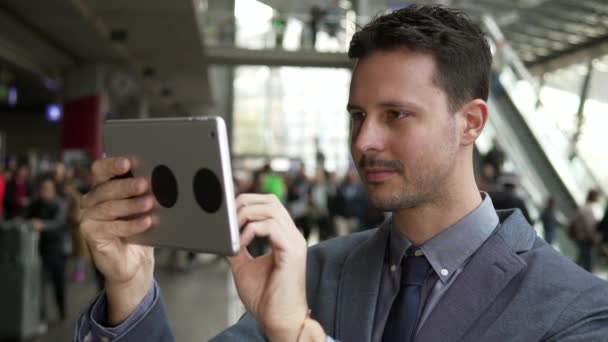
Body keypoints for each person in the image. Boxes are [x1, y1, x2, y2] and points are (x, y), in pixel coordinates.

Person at [75, 5, 608, 341]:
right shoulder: (315, 271)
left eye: (395, 115)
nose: (363, 141)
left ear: (470, 123)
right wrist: (130, 289)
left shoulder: (574, 310)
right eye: (357, 115)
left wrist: (299, 336)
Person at [26, 175, 69, 321]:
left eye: (47, 189)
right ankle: (40, 315)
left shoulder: (60, 204)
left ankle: (62, 310)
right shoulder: (35, 204)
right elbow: (26, 218)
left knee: (59, 284)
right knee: (38, 284)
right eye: (42, 189)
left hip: (57, 250)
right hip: (40, 249)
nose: (44, 192)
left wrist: (42, 225)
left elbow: (59, 222)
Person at [570, 189, 601, 272]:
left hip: (580, 237)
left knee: (581, 258)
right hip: (584, 238)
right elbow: (589, 226)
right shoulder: (588, 209)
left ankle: (571, 273)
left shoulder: (584, 207)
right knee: (589, 263)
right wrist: (593, 238)